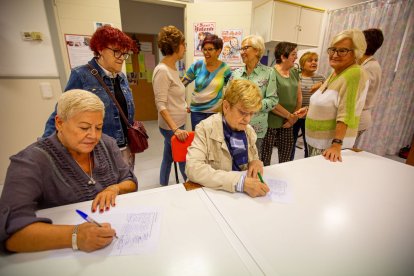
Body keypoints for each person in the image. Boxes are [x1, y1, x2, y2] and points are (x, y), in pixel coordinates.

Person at [0, 90, 138, 253]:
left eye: (99, 127)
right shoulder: (30, 162)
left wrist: (115, 188)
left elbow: (130, 180)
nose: (93, 136)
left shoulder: (107, 144)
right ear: (59, 123)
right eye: (84, 127)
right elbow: (10, 232)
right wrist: (74, 236)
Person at [42, 25, 138, 168]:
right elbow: (61, 112)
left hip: (125, 149)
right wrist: (46, 147)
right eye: (117, 52)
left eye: (124, 53)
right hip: (98, 151)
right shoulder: (82, 75)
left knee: (126, 185)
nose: (121, 58)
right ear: (100, 49)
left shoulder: (121, 77)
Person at [186, 79, 269, 198]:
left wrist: (255, 161)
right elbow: (193, 169)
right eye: (243, 112)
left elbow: (253, 156)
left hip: (240, 196)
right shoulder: (205, 128)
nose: (248, 120)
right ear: (226, 106)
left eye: (251, 113)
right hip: (216, 195)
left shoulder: (248, 130)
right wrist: (239, 182)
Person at [306, 29, 369, 162]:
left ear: (356, 52)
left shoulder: (354, 74)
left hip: (329, 145)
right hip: (318, 142)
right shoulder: (336, 72)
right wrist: (308, 110)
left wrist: (336, 145)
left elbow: (346, 112)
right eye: (333, 49)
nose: (335, 54)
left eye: (342, 50)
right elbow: (330, 102)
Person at [231, 35, 278, 158]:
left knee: (253, 161)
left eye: (245, 48)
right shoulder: (236, 74)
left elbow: (273, 100)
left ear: (257, 50)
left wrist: (251, 106)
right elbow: (228, 99)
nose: (242, 52)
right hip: (235, 126)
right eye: (241, 49)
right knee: (236, 161)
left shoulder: (269, 73)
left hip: (256, 128)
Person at [153, 26, 188, 186]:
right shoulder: (162, 70)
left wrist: (184, 106)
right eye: (184, 44)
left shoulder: (172, 68)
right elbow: (161, 105)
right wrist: (175, 129)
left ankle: (163, 185)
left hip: (177, 123)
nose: (185, 48)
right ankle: (191, 186)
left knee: (168, 157)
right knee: (182, 158)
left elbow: (174, 96)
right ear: (176, 46)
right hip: (171, 127)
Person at [261, 42, 303, 165]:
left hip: (289, 123)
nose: (296, 57)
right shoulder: (270, 73)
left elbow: (298, 97)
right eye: (293, 54)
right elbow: (271, 102)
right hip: (270, 123)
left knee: (286, 158)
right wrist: (289, 116)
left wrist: (293, 118)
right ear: (283, 57)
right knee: (265, 158)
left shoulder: (295, 72)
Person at [182, 34, 232, 130]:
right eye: (204, 49)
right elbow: (181, 85)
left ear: (218, 51)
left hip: (215, 112)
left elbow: (229, 91)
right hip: (197, 112)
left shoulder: (225, 69)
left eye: (210, 49)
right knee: (199, 141)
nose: (206, 52)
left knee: (213, 141)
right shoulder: (197, 66)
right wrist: (183, 104)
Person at [290, 52, 326, 160]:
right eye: (310, 60)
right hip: (296, 114)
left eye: (315, 60)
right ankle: (290, 164)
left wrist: (323, 84)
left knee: (308, 144)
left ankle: (307, 163)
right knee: (291, 144)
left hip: (312, 116)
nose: (314, 62)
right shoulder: (296, 77)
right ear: (302, 63)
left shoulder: (322, 79)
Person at [354, 28, 384, 147]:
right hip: (358, 116)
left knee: (340, 153)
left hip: (358, 117)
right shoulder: (365, 64)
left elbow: (355, 95)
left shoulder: (369, 67)